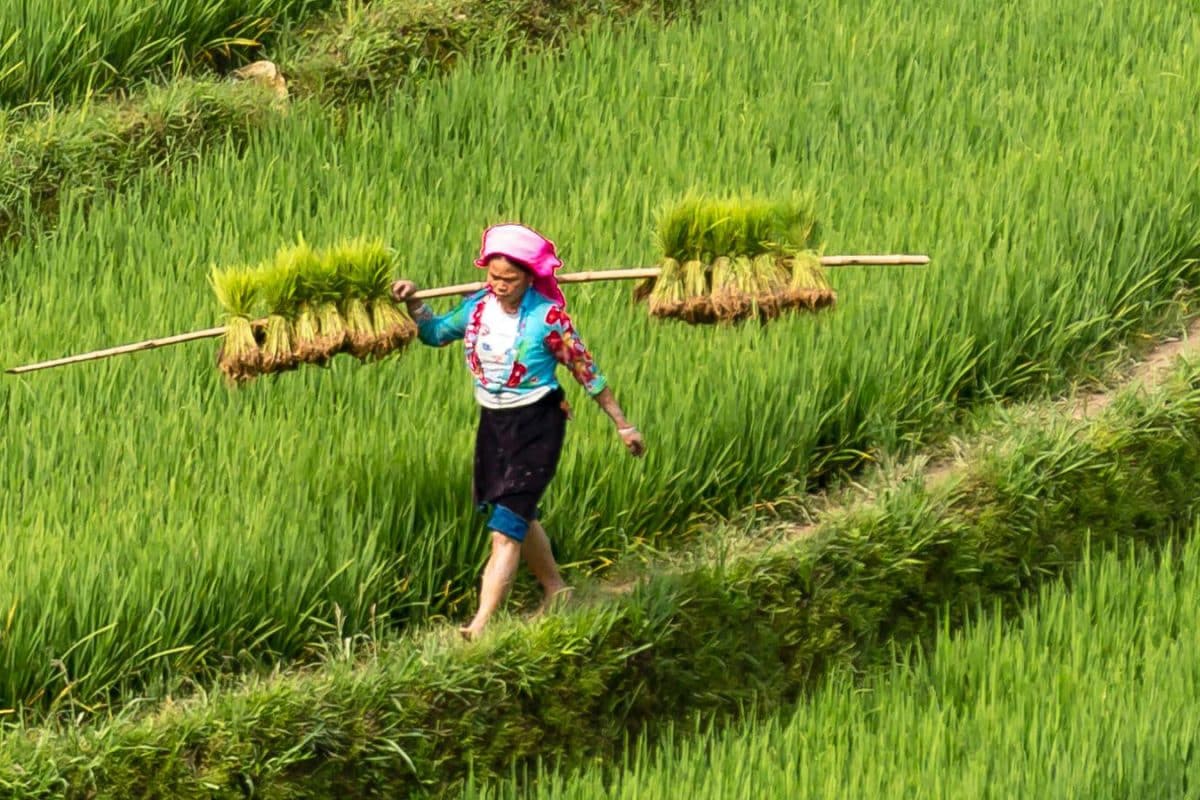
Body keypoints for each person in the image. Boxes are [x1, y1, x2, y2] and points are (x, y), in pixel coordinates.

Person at [391, 223, 646, 640]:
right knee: (513, 514)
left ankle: (479, 625)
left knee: (504, 529)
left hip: (537, 424)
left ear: (530, 278)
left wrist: (623, 425)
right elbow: (435, 334)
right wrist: (414, 302)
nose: (500, 286)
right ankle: (556, 590)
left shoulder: (547, 320)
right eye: (493, 278)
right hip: (493, 424)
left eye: (509, 279)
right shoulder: (476, 309)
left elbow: (586, 372)